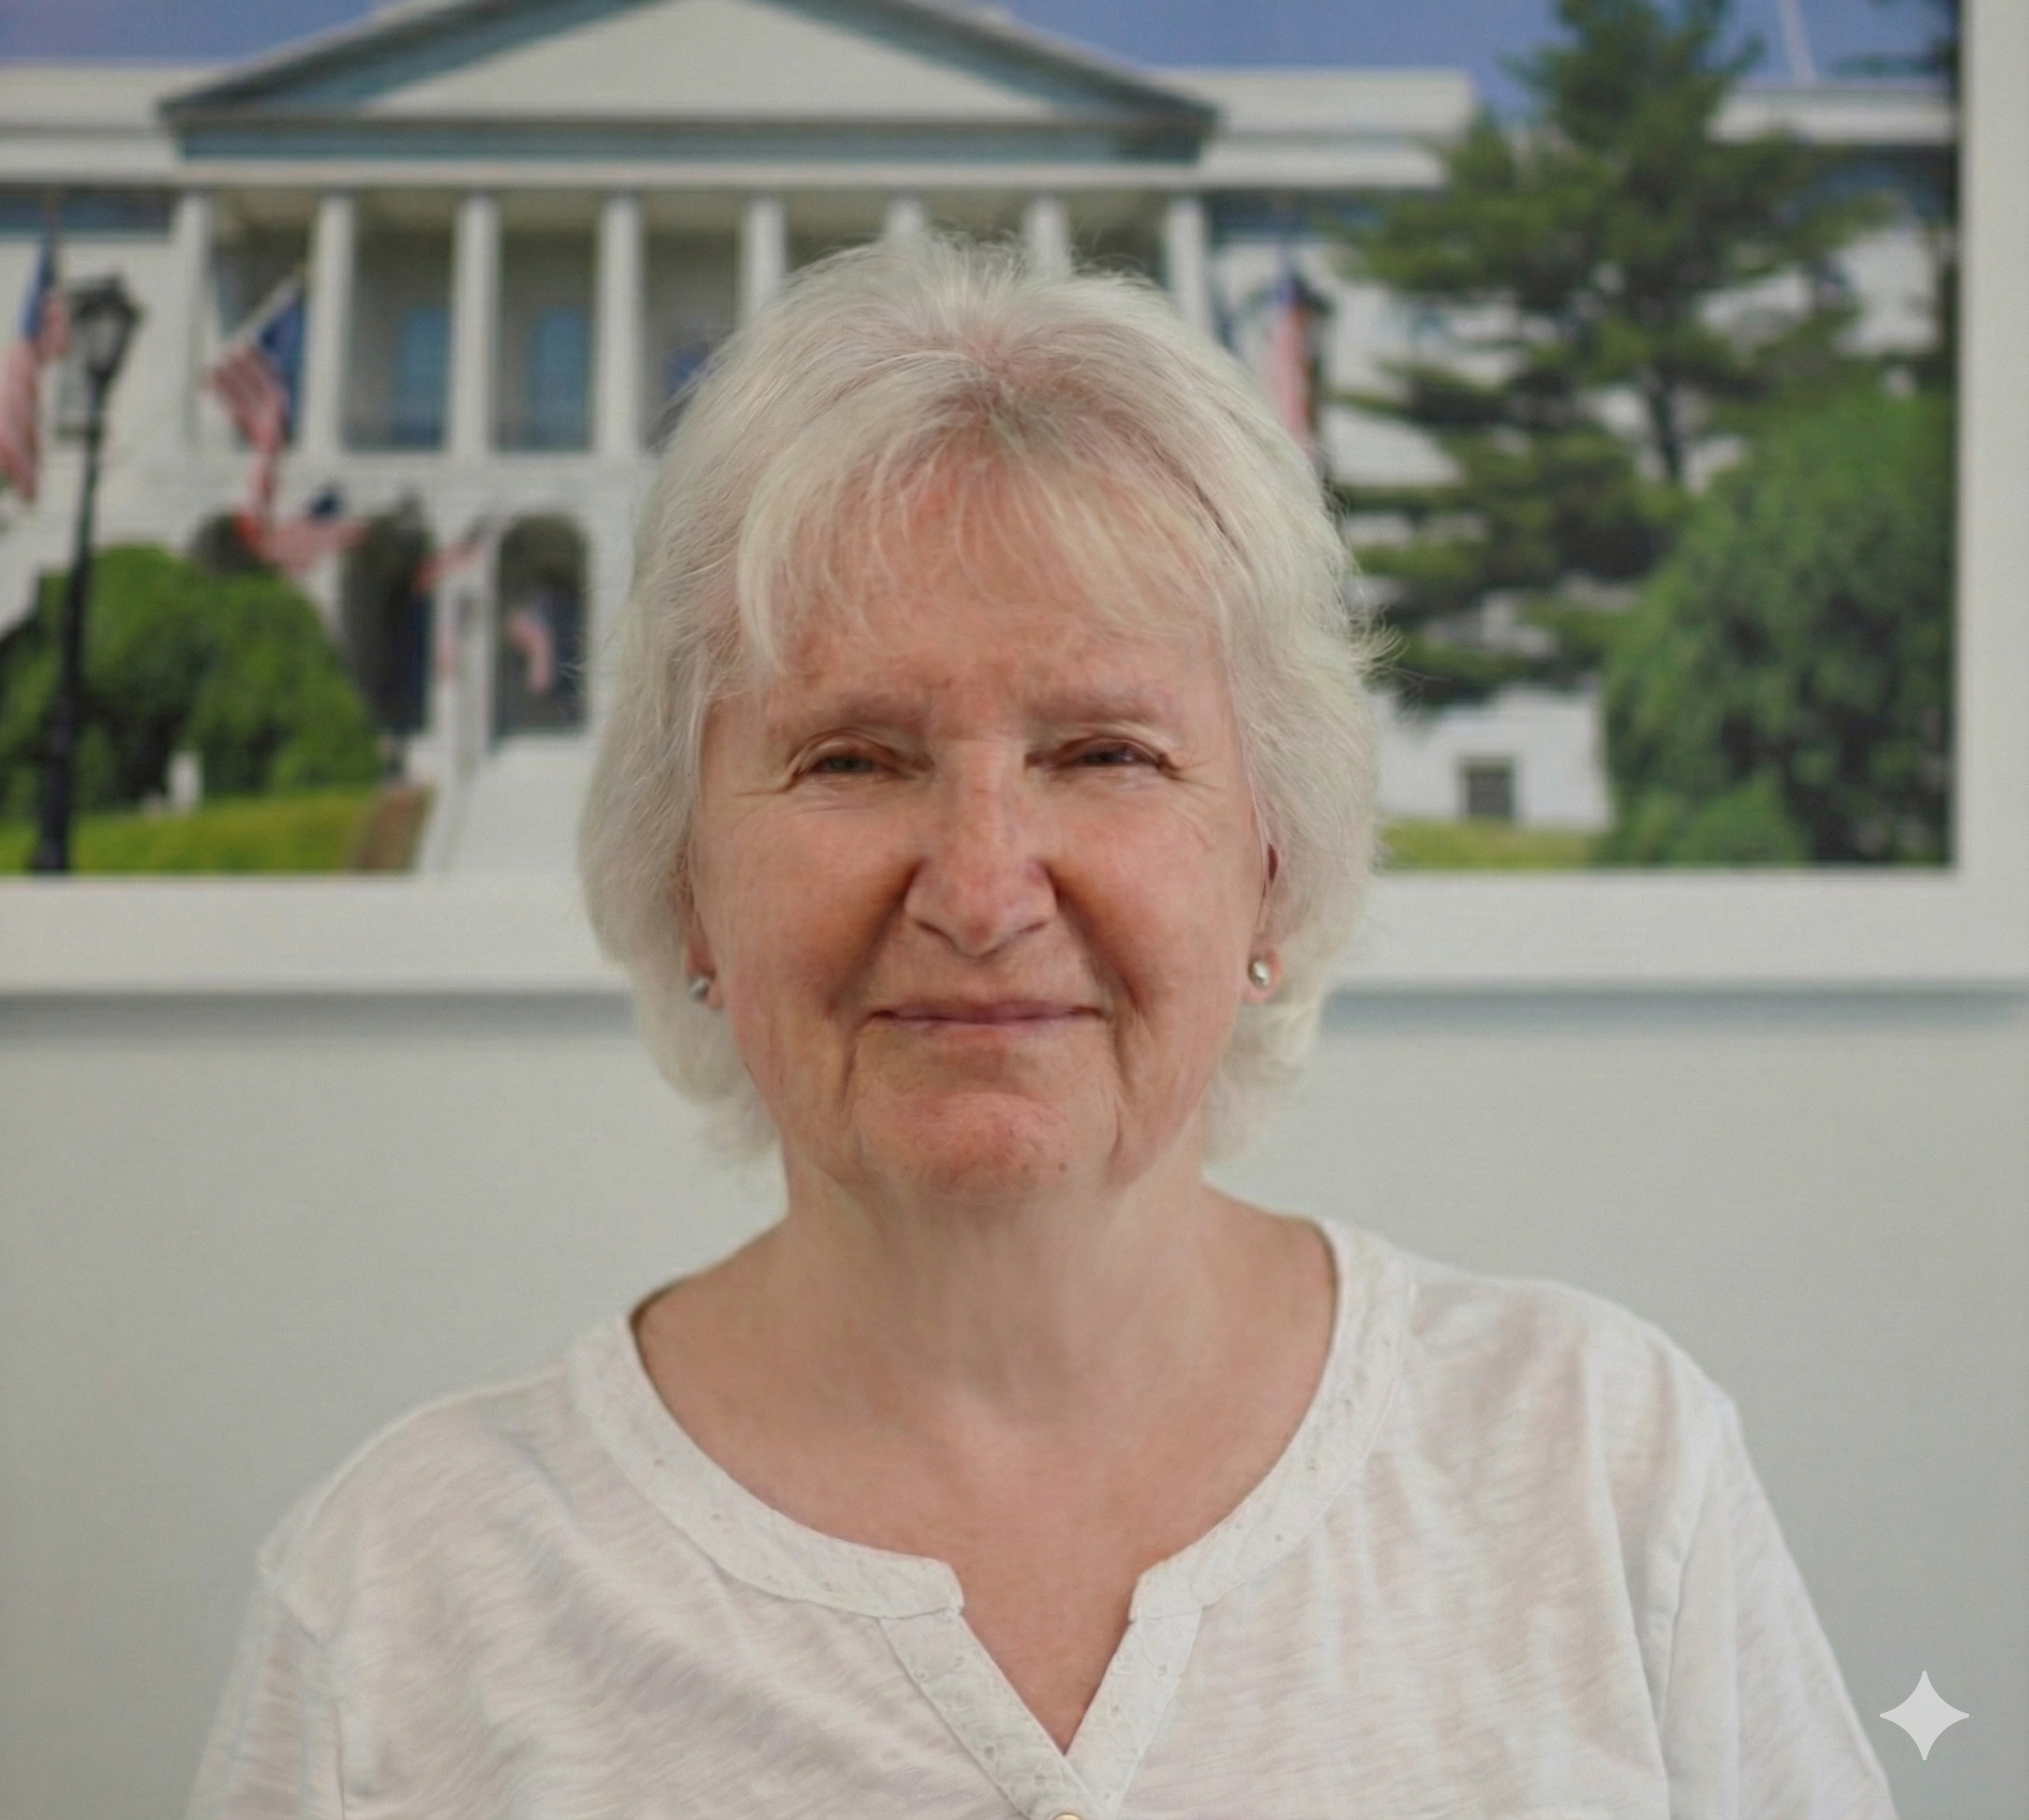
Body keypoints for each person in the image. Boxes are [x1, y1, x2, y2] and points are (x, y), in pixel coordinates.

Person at [190, 237, 1897, 1819]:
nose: (986, 887)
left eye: (1107, 753)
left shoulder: (1602, 1470)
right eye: (854, 757)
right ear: (688, 882)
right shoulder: (401, 1598)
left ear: (1274, 866)